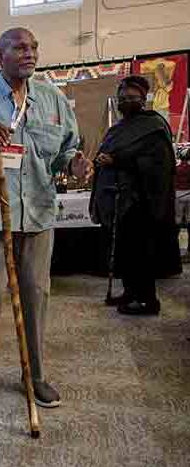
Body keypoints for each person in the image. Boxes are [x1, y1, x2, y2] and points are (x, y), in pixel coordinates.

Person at [0, 28, 92, 408]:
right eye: (20, 47)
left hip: (39, 215)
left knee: (36, 295)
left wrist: (75, 164)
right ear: (0, 55)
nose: (30, 53)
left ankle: (35, 374)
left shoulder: (53, 99)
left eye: (34, 47)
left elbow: (67, 152)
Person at [90, 75, 175, 315]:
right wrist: (101, 160)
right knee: (126, 253)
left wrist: (117, 160)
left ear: (143, 99)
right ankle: (130, 292)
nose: (126, 101)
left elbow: (158, 164)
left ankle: (148, 301)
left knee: (142, 254)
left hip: (142, 202)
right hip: (120, 202)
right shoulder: (118, 128)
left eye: (131, 98)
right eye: (122, 98)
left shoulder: (154, 126)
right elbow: (106, 152)